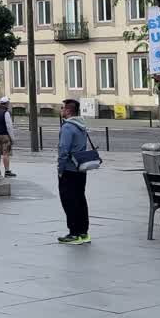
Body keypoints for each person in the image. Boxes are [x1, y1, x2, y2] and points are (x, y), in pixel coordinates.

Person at [56, 99, 91, 245]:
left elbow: (64, 149)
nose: (61, 110)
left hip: (69, 169)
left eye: (62, 108)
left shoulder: (68, 127)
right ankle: (83, 233)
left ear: (68, 110)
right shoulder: (81, 126)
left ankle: (74, 233)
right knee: (80, 200)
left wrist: (60, 168)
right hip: (81, 168)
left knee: (69, 201)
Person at [0, 97, 15, 178]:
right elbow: (9, 126)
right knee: (6, 154)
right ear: (6, 103)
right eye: (8, 103)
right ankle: (7, 171)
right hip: (5, 136)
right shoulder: (6, 112)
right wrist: (12, 138)